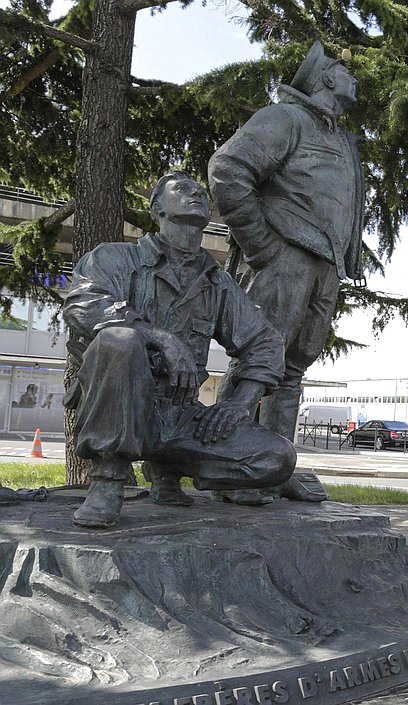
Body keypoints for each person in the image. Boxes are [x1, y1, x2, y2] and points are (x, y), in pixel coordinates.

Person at [62, 173, 296, 528]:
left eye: (201, 191)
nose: (196, 194)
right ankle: (107, 480)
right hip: (123, 408)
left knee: (277, 458)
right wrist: (158, 337)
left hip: (180, 417)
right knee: (120, 340)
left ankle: (170, 464)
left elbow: (264, 342)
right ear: (157, 208)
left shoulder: (216, 281)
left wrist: (239, 404)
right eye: (183, 190)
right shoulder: (114, 258)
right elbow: (83, 304)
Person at [208, 40, 364, 501]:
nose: (354, 77)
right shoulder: (287, 118)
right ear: (327, 78)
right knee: (258, 359)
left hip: (325, 263)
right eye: (344, 70)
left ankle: (274, 468)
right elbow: (228, 169)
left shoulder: (339, 138)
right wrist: (261, 244)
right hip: (286, 255)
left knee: (293, 367)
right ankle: (226, 467)